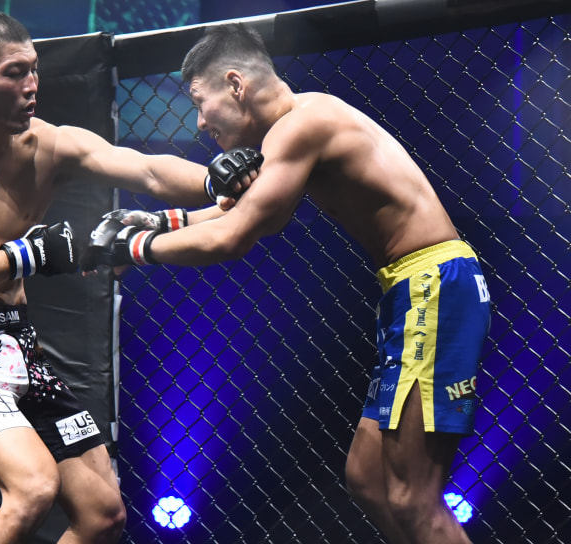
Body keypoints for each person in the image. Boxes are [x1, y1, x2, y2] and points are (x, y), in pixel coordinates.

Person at [82, 24, 491, 544]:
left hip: (433, 285)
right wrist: (157, 223)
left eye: (201, 102)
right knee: (367, 477)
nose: (201, 121)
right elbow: (243, 212)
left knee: (414, 497)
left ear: (236, 84)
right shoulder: (300, 122)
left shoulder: (302, 126)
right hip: (414, 288)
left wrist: (133, 249)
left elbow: (232, 237)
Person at [0, 11, 260, 544]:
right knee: (32, 489)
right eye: (14, 73)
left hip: (21, 344)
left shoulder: (48, 144)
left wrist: (214, 179)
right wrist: (28, 256)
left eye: (33, 69)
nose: (32, 85)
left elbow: (146, 169)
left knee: (103, 515)